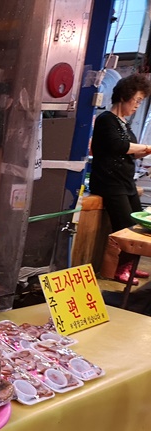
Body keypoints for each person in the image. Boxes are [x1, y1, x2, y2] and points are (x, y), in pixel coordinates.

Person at [89, 72, 151, 284]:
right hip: (109, 182)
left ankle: (130, 267)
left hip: (125, 182)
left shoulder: (124, 123)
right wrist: (144, 147)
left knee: (139, 225)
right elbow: (119, 146)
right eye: (136, 100)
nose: (137, 106)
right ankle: (118, 269)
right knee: (124, 225)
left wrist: (143, 151)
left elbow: (130, 150)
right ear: (125, 96)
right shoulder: (107, 119)